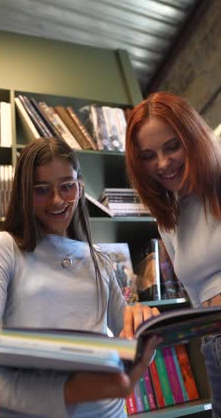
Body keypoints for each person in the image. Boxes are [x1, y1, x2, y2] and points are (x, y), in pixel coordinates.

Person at [0, 136, 160, 418]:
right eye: (41, 190)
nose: (56, 200)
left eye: (67, 187)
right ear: (24, 194)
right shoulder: (3, 248)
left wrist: (144, 329)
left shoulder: (100, 259)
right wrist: (66, 392)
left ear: (80, 187)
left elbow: (130, 353)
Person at [125, 91, 221, 417]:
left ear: (192, 137)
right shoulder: (169, 210)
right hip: (214, 345)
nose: (163, 164)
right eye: (148, 155)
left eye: (172, 147)